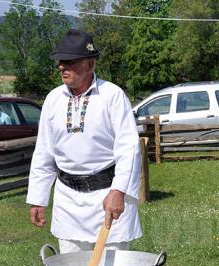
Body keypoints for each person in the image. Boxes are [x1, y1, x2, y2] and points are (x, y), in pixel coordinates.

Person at [26, 29, 141, 254]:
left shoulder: (112, 96)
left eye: (69, 61)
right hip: (67, 201)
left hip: (107, 195)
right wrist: (38, 198)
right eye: (61, 61)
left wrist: (118, 191)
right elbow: (44, 152)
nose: (62, 66)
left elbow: (128, 149)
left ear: (90, 64)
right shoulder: (53, 99)